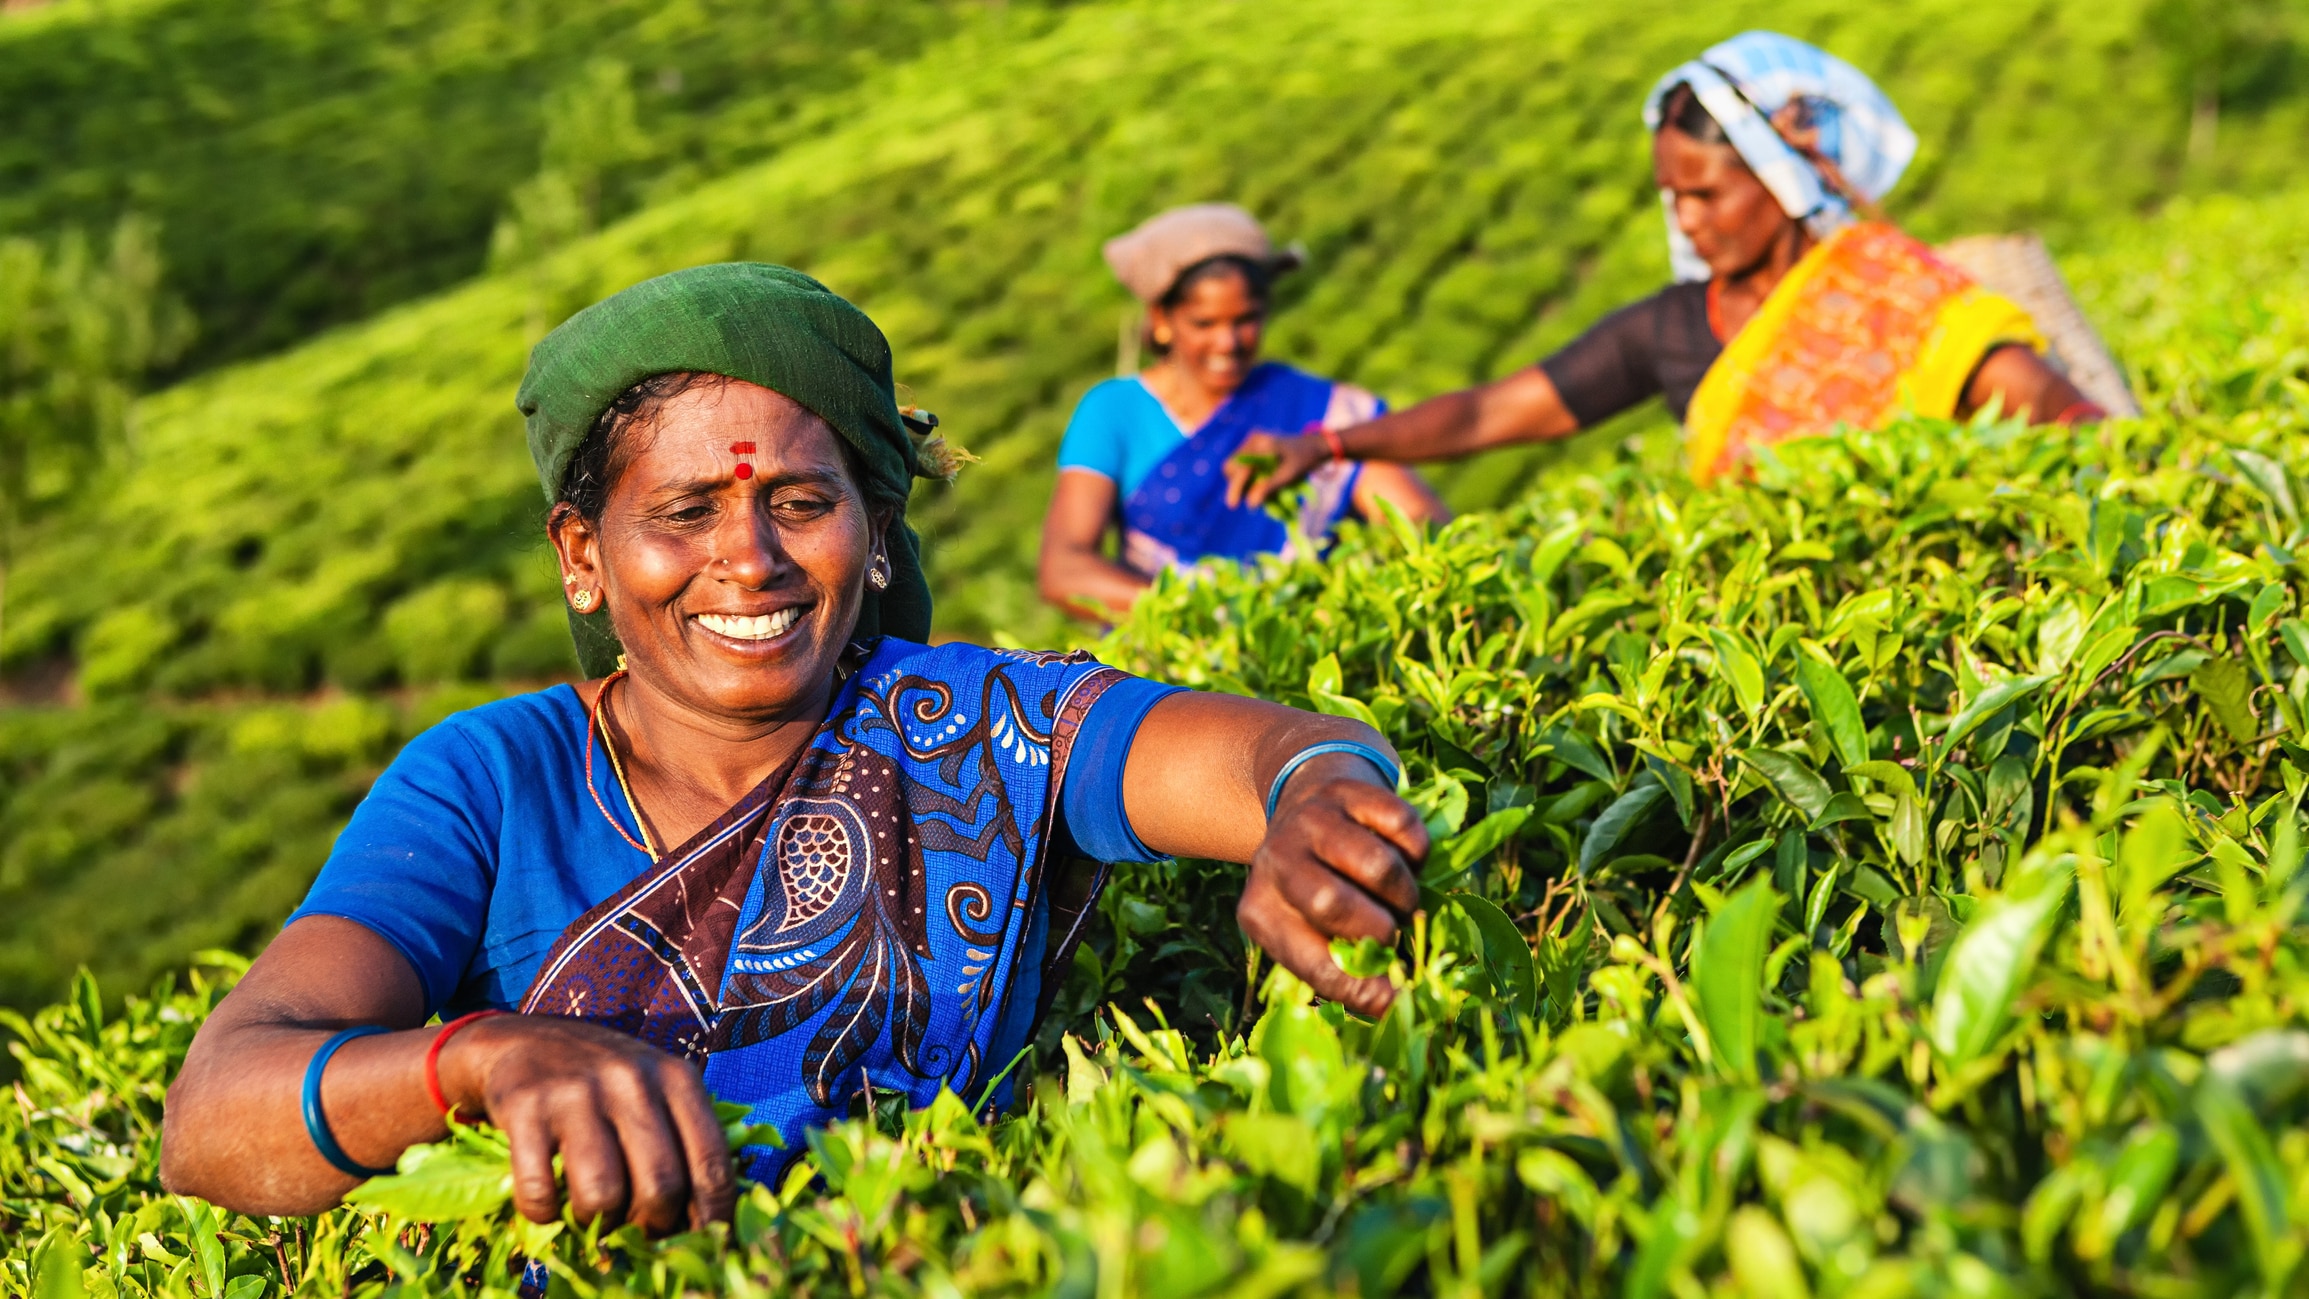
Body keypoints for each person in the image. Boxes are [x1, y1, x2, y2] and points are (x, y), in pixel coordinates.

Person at [158, 264, 1429, 1234]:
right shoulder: (489, 781)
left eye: (801, 504)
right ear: (582, 557)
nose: (749, 560)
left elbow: (1270, 754)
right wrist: (480, 1061)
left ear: (876, 535)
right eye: (682, 513)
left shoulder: (972, 722)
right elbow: (219, 1112)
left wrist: (1313, 801)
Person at [1224, 32, 2103, 507]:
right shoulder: (1671, 328)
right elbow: (1496, 410)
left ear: (1779, 176)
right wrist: (1329, 443)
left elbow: (2034, 395)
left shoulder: (1887, 293)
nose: (1684, 218)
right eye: (1670, 195)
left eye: (1707, 193)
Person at [1039, 203, 1445, 621]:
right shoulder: (1114, 412)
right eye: (1204, 323)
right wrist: (1210, 615)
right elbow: (1064, 569)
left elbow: (1421, 529)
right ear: (1162, 319)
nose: (1228, 342)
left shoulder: (1324, 412)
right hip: (1166, 667)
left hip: (1302, 644)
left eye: (1245, 320)